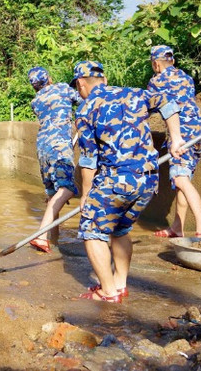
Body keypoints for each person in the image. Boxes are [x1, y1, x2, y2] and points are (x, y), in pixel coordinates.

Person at [71, 61, 184, 303]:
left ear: (81, 84)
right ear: (104, 79)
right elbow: (167, 102)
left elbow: (89, 160)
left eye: (78, 87)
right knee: (120, 229)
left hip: (116, 180)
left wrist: (86, 195)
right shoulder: (133, 93)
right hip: (148, 181)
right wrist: (176, 139)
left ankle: (108, 292)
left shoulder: (85, 110)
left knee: (92, 230)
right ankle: (120, 285)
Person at [148, 46, 201, 240]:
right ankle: (177, 227)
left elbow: (149, 109)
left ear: (156, 64)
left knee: (180, 179)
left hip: (182, 136)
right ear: (173, 61)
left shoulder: (156, 81)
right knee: (182, 182)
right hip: (198, 133)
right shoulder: (186, 77)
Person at [27, 67, 82, 253]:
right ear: (49, 78)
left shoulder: (35, 101)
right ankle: (42, 236)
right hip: (59, 146)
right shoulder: (63, 88)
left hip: (42, 148)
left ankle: (54, 239)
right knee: (67, 189)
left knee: (53, 193)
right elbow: (84, 100)